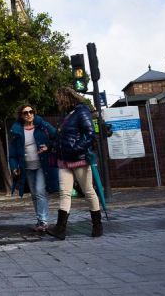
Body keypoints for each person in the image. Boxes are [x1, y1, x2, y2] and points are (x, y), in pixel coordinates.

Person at [47, 88, 103, 240]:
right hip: (64, 160)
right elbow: (64, 136)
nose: (58, 103)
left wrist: (75, 148)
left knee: (88, 191)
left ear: (66, 99)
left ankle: (97, 226)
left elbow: (90, 134)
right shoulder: (67, 115)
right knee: (64, 193)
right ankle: (60, 229)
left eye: (60, 100)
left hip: (79, 159)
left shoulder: (82, 111)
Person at [8, 104, 60, 234]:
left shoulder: (42, 126)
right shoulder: (17, 130)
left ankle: (43, 221)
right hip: (27, 167)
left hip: (42, 165)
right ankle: (39, 220)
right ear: (21, 115)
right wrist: (14, 167)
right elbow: (13, 153)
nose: (29, 114)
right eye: (25, 113)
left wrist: (48, 147)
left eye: (31, 112)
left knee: (40, 191)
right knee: (34, 194)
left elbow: (57, 137)